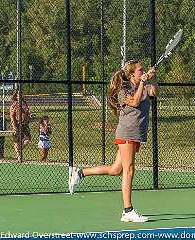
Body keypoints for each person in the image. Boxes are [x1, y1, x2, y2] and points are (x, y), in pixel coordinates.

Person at [69, 60, 159, 223]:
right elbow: (135, 101)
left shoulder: (144, 85)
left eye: (143, 69)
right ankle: (128, 210)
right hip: (127, 133)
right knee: (129, 170)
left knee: (115, 169)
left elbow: (154, 91)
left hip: (136, 134)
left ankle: (80, 172)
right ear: (132, 74)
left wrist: (152, 79)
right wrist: (143, 82)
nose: (143, 71)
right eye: (140, 70)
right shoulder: (123, 90)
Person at [9, 90, 31, 162]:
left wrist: (29, 116)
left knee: (28, 139)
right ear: (16, 96)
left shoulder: (24, 103)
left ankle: (19, 150)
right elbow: (12, 116)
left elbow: (27, 112)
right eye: (18, 95)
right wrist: (14, 125)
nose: (20, 96)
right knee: (16, 140)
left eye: (21, 94)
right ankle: (19, 157)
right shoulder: (14, 104)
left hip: (24, 124)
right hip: (17, 124)